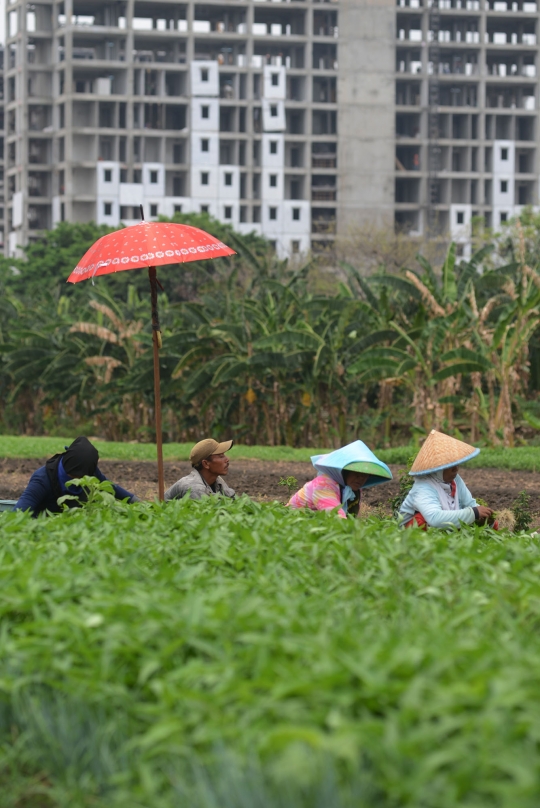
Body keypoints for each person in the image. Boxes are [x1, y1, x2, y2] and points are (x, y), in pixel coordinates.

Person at [14, 436, 138, 517]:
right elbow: (18, 513)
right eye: (73, 477)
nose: (77, 481)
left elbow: (111, 487)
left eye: (82, 478)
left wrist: (138, 503)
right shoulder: (42, 479)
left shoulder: (90, 470)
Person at [399, 429, 494, 529]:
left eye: (457, 463)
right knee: (421, 521)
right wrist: (473, 513)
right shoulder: (423, 486)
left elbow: (469, 503)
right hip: (409, 533)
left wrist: (485, 516)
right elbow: (434, 518)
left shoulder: (455, 479)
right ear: (437, 468)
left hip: (440, 528)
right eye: (450, 465)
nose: (456, 469)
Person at [287, 440, 392, 518]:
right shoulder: (323, 485)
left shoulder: (353, 490)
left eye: (365, 475)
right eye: (356, 473)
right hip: (292, 522)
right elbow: (337, 519)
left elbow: (353, 519)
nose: (360, 479)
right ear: (344, 471)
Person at [165, 438, 235, 501]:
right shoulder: (194, 488)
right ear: (206, 464)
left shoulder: (217, 480)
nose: (227, 459)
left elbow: (231, 500)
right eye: (221, 456)